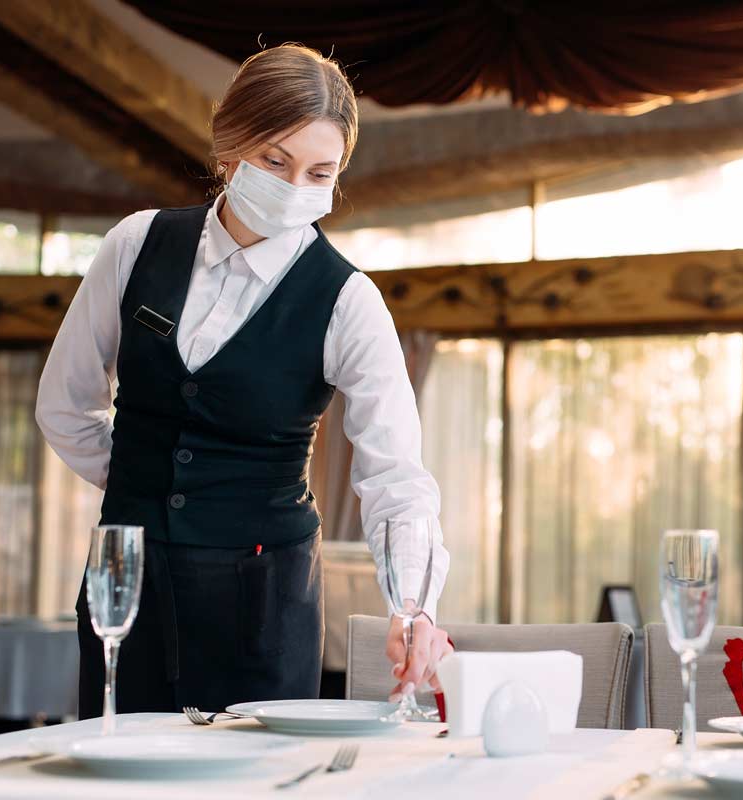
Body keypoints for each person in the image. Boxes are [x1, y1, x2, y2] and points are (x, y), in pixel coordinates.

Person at [36, 44, 452, 716]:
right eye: (274, 161)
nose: (293, 189)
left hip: (265, 603)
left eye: (319, 172)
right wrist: (144, 482)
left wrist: (413, 606)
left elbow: (395, 476)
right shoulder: (136, 245)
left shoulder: (347, 300)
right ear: (229, 148)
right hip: (127, 588)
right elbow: (65, 406)